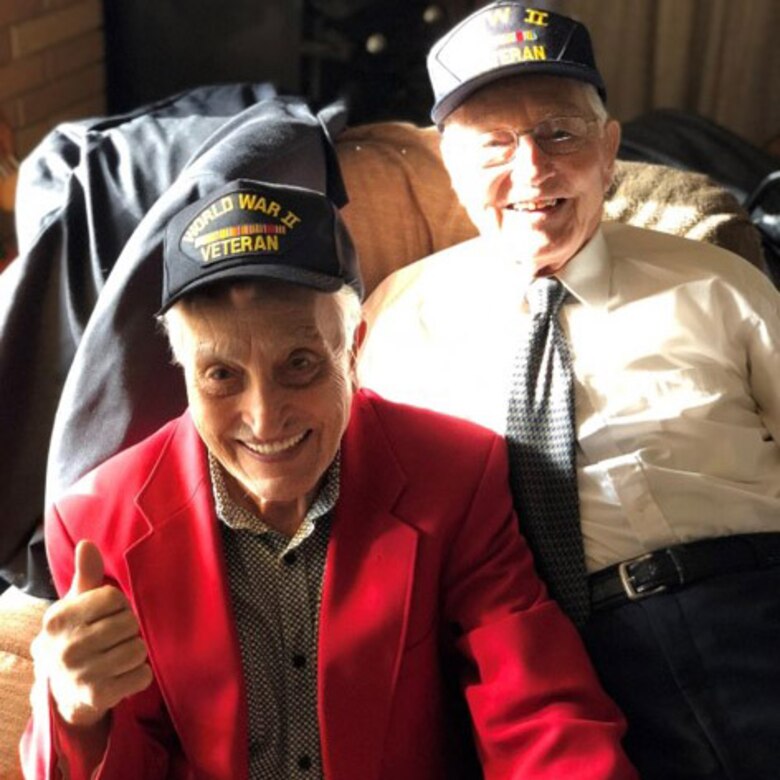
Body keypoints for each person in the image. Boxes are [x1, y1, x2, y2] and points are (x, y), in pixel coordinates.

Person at [21, 179, 636, 779]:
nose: (265, 419)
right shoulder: (96, 526)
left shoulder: (454, 475)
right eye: (221, 376)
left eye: (300, 364)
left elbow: (534, 707)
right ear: (183, 370)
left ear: (353, 351)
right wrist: (78, 713)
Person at [358, 3, 780, 779]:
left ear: (609, 150)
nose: (534, 172)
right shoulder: (398, 321)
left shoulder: (719, 282)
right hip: (541, 666)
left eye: (561, 133)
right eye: (494, 145)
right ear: (449, 165)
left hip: (747, 608)